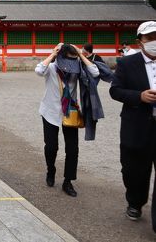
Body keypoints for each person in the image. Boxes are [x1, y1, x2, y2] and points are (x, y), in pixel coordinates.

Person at [35, 43, 100, 197]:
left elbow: (95, 72)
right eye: (68, 61)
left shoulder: (78, 69)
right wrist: (53, 53)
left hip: (70, 112)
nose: (70, 65)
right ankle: (51, 170)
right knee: (51, 147)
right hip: (50, 112)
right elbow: (38, 70)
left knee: (72, 149)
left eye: (73, 61)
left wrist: (80, 54)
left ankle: (68, 181)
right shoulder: (51, 69)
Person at [109, 21, 156, 228]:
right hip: (136, 125)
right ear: (140, 41)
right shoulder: (127, 64)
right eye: (150, 38)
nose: (155, 41)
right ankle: (135, 202)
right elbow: (115, 90)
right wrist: (139, 96)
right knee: (134, 169)